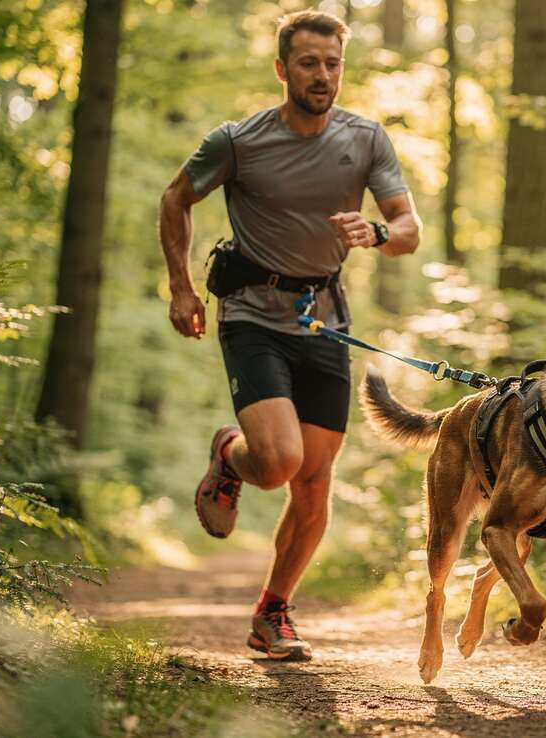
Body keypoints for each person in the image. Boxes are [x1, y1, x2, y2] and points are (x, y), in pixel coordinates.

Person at [157, 9, 421, 662]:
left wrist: (379, 233)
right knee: (277, 463)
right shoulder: (239, 141)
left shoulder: (366, 140)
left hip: (325, 320)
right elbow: (174, 199)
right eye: (309, 63)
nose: (323, 75)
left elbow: (408, 225)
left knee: (314, 481)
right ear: (282, 69)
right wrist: (181, 286)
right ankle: (232, 451)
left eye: (333, 63)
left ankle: (273, 611)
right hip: (251, 314)